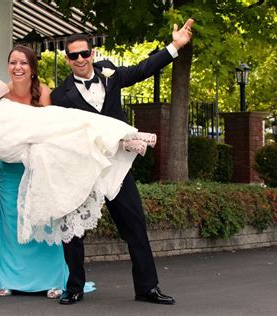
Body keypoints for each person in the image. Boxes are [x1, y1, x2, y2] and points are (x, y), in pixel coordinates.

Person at [0, 35, 156, 259]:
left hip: (3, 116)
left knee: (56, 121)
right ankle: (115, 142)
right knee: (48, 146)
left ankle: (122, 138)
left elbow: (0, 88)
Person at [50, 19, 195, 305]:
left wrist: (175, 46)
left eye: (84, 53)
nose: (80, 59)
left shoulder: (111, 74)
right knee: (73, 228)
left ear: (92, 53)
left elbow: (144, 68)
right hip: (83, 168)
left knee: (135, 226)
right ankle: (74, 286)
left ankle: (147, 288)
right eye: (73, 55)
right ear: (67, 60)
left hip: (117, 166)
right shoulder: (59, 95)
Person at [0, 45, 68, 298]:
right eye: (13, 62)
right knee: (10, 221)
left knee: (43, 218)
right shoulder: (0, 93)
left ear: (32, 68)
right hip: (9, 168)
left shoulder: (43, 92)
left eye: (23, 63)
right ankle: (7, 278)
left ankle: (53, 279)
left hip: (38, 168)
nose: (17, 67)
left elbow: (47, 131)